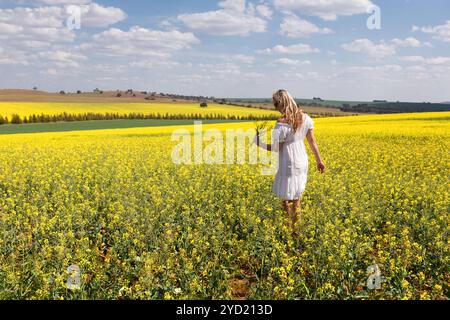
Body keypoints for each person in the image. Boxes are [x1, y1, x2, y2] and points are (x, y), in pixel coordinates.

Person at [254, 89, 326, 234]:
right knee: (297, 197)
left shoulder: (280, 123)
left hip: (288, 162)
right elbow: (312, 142)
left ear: (280, 103)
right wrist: (319, 161)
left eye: (275, 104)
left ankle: (289, 229)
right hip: (302, 160)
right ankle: (296, 229)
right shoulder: (306, 118)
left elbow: (276, 148)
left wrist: (258, 142)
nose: (275, 107)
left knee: (286, 198)